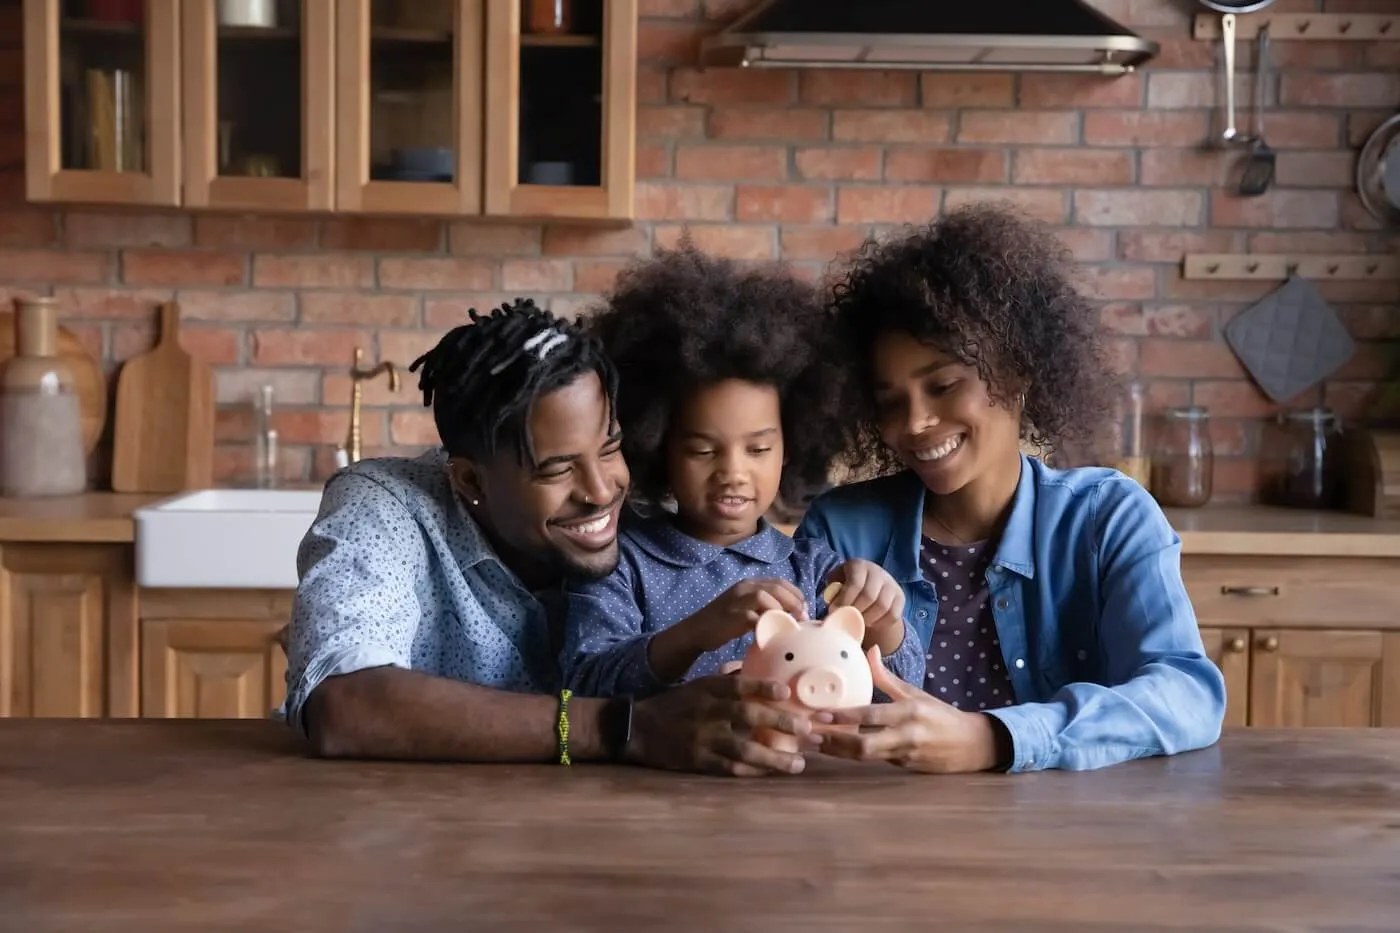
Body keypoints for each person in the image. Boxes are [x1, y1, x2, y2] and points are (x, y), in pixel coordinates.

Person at [283, 298, 818, 777]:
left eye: (610, 449)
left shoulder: (650, 522)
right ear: (471, 481)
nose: (601, 491)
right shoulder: (385, 508)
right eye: (557, 469)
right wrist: (620, 728)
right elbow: (344, 703)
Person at [794, 203, 1227, 774]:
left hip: (1066, 840)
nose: (915, 422)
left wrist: (993, 739)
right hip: (880, 839)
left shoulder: (1107, 519)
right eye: (889, 401)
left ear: (1017, 373)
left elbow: (1187, 694)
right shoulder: (840, 530)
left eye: (944, 385)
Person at [559, 243, 925, 700]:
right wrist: (696, 633)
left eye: (758, 448)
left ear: (790, 448)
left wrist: (885, 627)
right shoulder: (622, 563)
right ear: (656, 446)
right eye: (703, 450)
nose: (733, 472)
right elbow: (582, 683)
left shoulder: (815, 572)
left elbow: (903, 693)